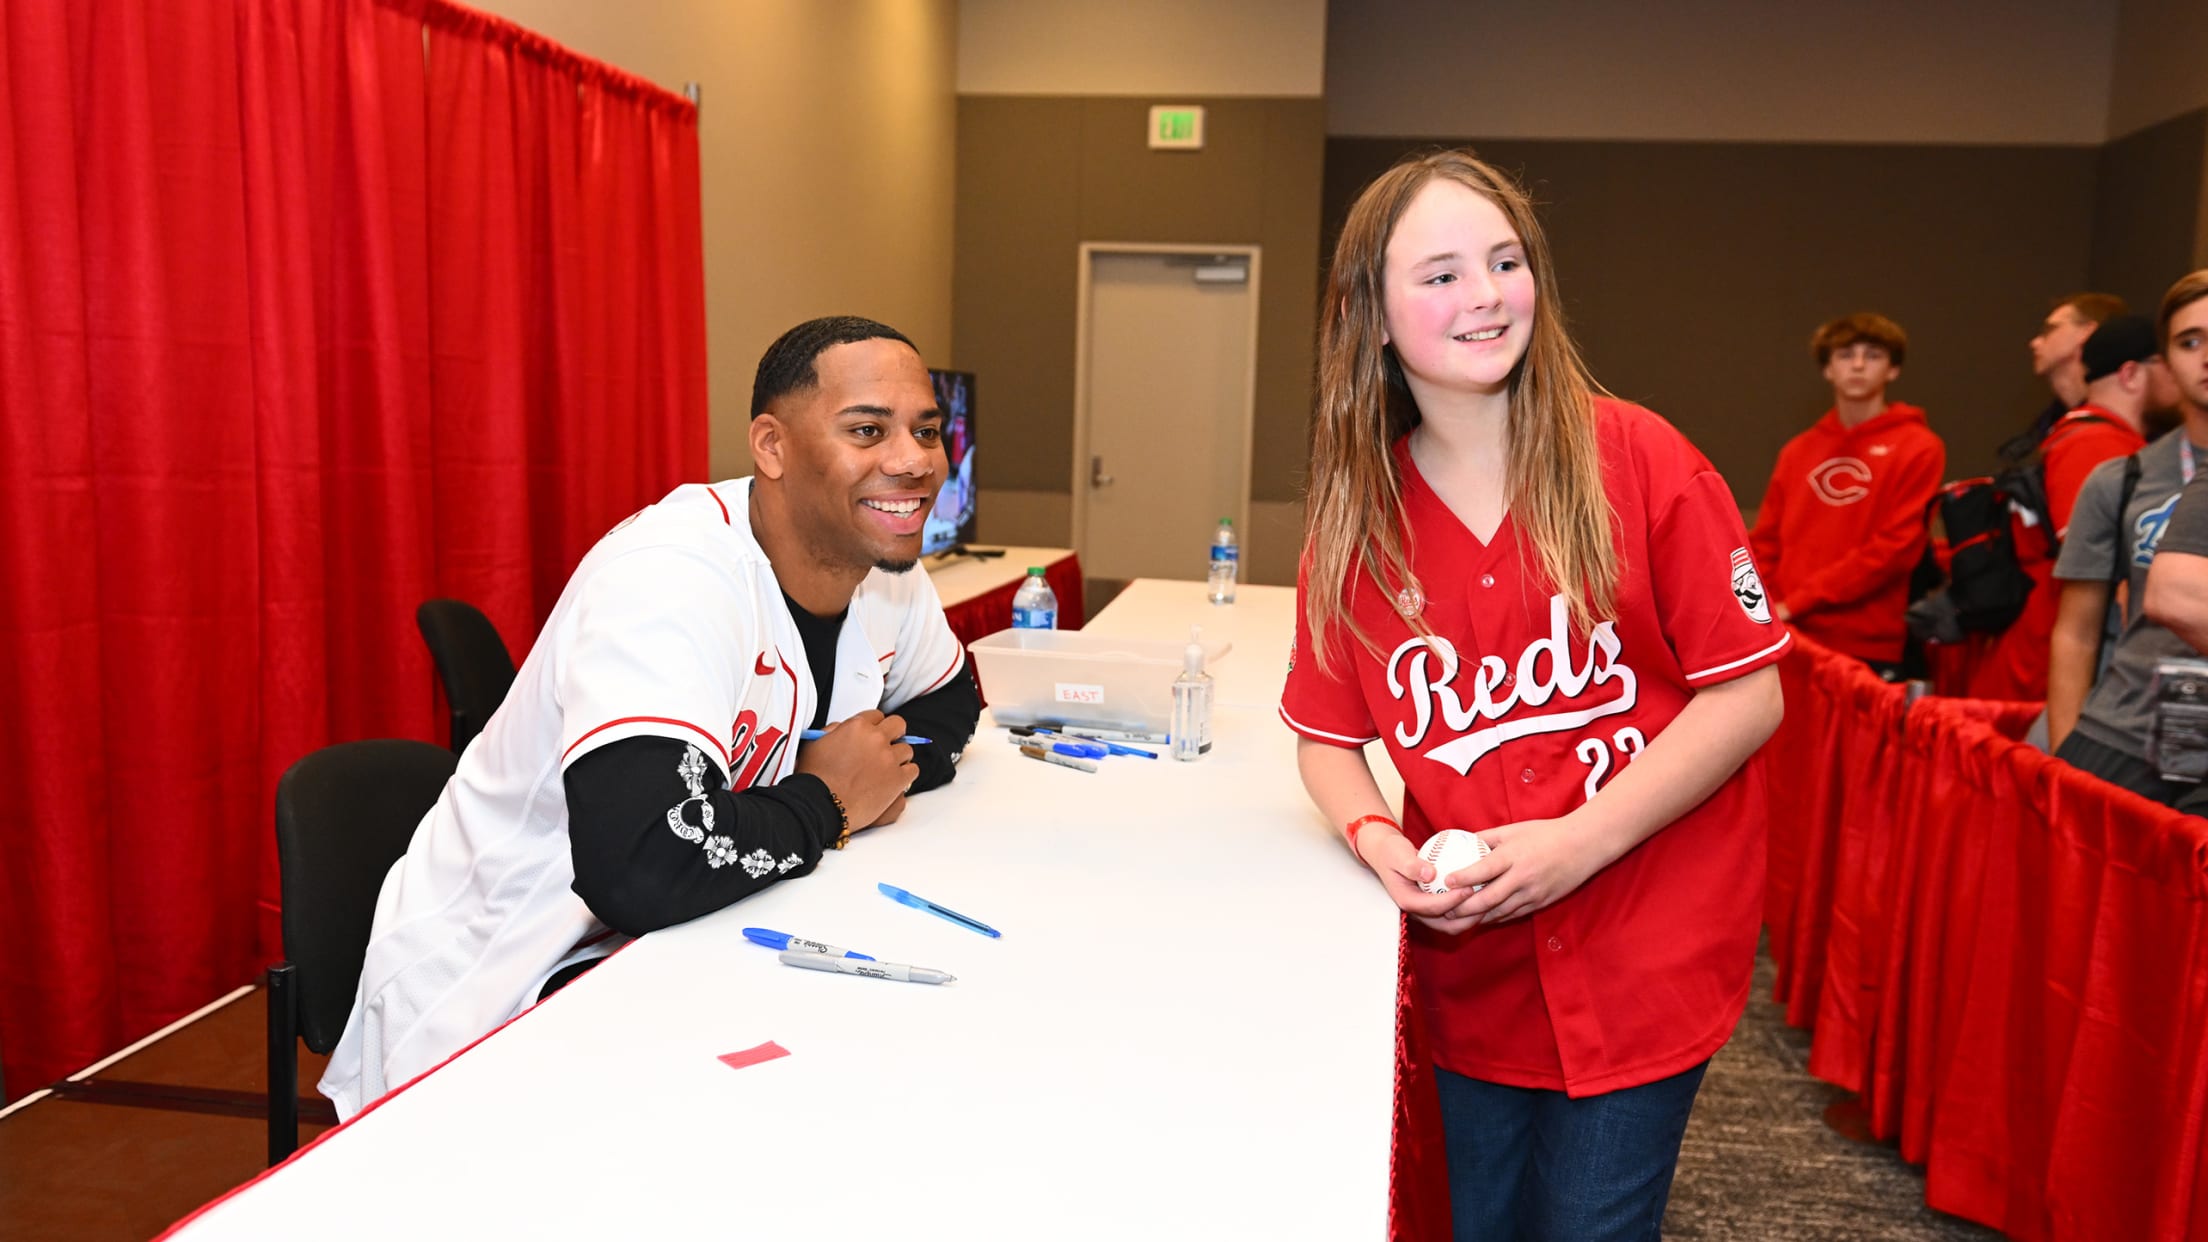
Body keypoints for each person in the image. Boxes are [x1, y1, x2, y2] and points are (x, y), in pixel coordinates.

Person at [1278, 149, 1787, 1241]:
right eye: (1443, 273)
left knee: (1591, 1224)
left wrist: (1576, 843)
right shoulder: (1358, 521)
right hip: (1471, 977)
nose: (1487, 295)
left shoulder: (1641, 458)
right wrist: (1376, 839)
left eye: (1507, 262)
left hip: (1643, 942)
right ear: (1370, 312)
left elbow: (1748, 697)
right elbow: (1327, 740)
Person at [321, 316, 982, 1118]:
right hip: (506, 984)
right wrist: (830, 801)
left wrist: (871, 775)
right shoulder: (671, 580)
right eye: (867, 430)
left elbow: (950, 701)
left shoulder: (880, 564)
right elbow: (640, 865)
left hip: (690, 938)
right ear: (771, 447)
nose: (913, 462)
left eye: (924, 429)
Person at [2046, 274, 2208, 808]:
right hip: (2127, 734)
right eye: (2190, 341)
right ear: (2164, 359)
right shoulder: (2122, 479)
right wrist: (2064, 748)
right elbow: (2077, 633)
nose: (2207, 356)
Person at [1970, 310, 2155, 702]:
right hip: (2046, 676)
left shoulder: (2103, 440)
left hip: (2045, 667)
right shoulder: (2095, 445)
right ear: (2132, 373)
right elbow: (2100, 585)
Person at [1747, 313, 1944, 676]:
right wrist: (1766, 609)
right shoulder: (1798, 451)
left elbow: (1895, 550)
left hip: (1866, 640)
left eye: (1872, 355)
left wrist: (1797, 602)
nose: (1857, 364)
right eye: (1844, 354)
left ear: (1893, 370)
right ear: (1827, 370)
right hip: (1789, 633)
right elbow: (1765, 542)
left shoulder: (1919, 447)